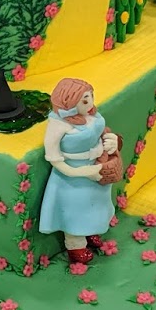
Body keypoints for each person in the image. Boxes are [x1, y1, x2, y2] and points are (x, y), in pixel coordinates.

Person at [38, 79, 121, 267]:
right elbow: (54, 158)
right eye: (84, 100)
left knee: (96, 204)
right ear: (69, 100)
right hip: (71, 178)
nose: (90, 103)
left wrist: (111, 141)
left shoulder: (92, 116)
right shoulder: (58, 125)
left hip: (97, 169)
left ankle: (91, 230)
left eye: (90, 96)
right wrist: (80, 172)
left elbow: (102, 133)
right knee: (75, 211)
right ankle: (75, 246)